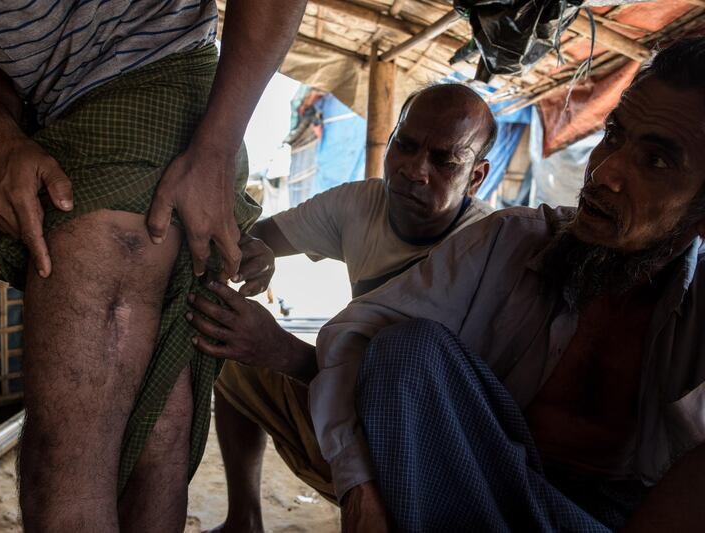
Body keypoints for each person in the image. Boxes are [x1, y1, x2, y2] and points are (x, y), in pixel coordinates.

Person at [311, 37, 705, 532]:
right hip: (478, 474)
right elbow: (354, 335)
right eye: (612, 135)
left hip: (608, 518)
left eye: (658, 162)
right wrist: (358, 484)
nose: (605, 173)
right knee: (405, 350)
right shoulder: (507, 240)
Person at [0, 1, 307, 531]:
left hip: (137, 120)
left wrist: (217, 148)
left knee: (67, 470)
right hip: (102, 123)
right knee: (154, 434)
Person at [186, 83, 497, 532]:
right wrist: (260, 254)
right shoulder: (362, 203)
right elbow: (259, 237)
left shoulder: (482, 251)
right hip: (345, 408)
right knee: (231, 342)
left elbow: (417, 404)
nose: (414, 170)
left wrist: (282, 351)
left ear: (477, 176)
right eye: (404, 146)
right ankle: (244, 520)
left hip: (422, 452)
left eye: (444, 160)